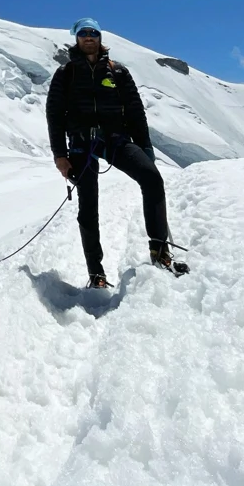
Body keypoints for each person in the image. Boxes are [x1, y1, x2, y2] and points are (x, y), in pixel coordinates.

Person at [45, 17, 188, 287]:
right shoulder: (65, 73)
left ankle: (160, 252)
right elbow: (54, 115)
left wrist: (145, 147)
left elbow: (135, 111)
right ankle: (96, 273)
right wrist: (59, 155)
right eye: (84, 33)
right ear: (76, 37)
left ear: (100, 38)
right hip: (80, 144)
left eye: (94, 33)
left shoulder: (117, 72)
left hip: (115, 140)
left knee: (152, 179)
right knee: (89, 205)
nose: (89, 38)